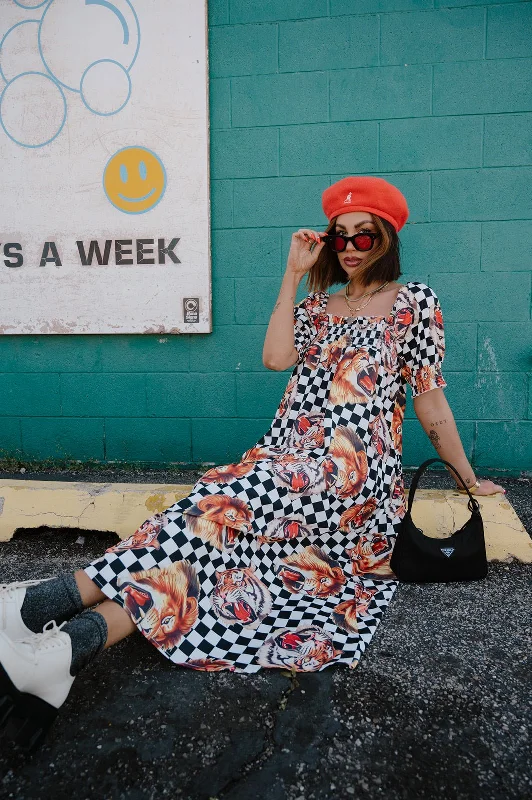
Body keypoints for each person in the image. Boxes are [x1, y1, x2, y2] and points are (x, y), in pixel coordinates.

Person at [0, 176, 505, 752]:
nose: (349, 248)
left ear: (386, 240)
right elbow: (274, 358)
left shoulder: (415, 304)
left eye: (363, 237)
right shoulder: (317, 306)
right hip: (285, 458)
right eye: (338, 237)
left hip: (349, 474)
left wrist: (468, 479)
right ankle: (69, 648)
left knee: (215, 502)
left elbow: (430, 400)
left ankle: (45, 604)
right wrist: (293, 274)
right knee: (209, 546)